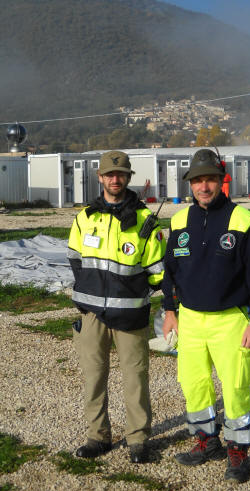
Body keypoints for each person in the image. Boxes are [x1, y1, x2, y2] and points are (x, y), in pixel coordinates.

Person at [161, 149, 250, 483]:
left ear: (221, 179)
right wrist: (169, 310)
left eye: (209, 179)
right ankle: (206, 441)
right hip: (191, 320)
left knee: (236, 387)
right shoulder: (180, 221)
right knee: (193, 385)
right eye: (197, 180)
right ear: (191, 184)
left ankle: (238, 449)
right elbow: (170, 271)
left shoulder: (243, 221)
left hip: (232, 320)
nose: (203, 186)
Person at [67, 151, 166, 462]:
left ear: (128, 177)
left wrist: (132, 291)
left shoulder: (143, 221)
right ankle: (98, 437)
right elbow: (75, 258)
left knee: (136, 378)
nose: (115, 179)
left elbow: (158, 272)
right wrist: (92, 289)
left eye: (120, 173)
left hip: (131, 313)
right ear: (100, 177)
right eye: (109, 174)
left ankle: (138, 440)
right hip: (92, 314)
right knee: (94, 376)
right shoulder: (85, 217)